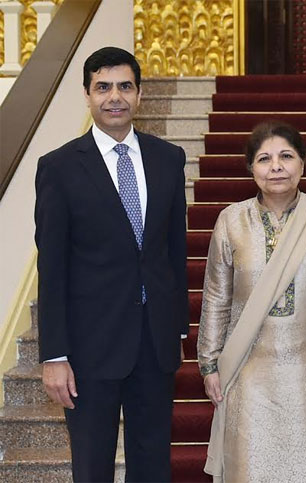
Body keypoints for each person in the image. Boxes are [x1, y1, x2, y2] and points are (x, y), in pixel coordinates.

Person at [34, 46, 188, 481]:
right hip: (89, 347)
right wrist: (54, 355)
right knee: (92, 466)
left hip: (154, 342)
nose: (114, 97)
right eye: (103, 87)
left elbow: (174, 251)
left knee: (152, 464)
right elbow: (53, 269)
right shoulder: (59, 167)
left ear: (140, 94)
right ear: (87, 94)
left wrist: (177, 328)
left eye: (125, 86)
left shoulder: (168, 158)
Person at [198, 120, 306, 482]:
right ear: (251, 168)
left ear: (302, 163)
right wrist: (209, 364)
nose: (276, 166)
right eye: (264, 159)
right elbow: (216, 298)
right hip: (249, 371)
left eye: (286, 156)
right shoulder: (231, 221)